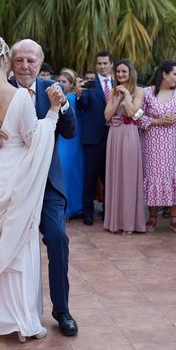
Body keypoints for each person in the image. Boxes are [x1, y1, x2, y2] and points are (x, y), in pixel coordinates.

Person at [0, 38, 79, 336]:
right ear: (9, 60)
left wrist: (61, 105)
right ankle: (3, 312)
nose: (25, 66)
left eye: (31, 61)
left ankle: (62, 311)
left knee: (57, 238)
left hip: (45, 183)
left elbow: (70, 130)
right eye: (20, 60)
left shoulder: (52, 88)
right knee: (5, 246)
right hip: (8, 182)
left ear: (40, 62)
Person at [139, 60, 176, 233]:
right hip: (152, 143)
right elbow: (137, 116)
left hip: (174, 143)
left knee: (174, 175)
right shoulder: (147, 93)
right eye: (175, 74)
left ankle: (174, 218)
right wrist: (156, 121)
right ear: (164, 74)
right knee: (154, 176)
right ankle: (152, 217)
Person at [103, 60, 145, 234]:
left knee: (128, 176)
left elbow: (133, 113)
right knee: (115, 176)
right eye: (118, 72)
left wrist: (127, 95)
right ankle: (114, 221)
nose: (120, 75)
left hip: (129, 134)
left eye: (123, 72)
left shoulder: (139, 91)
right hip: (114, 134)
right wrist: (118, 97)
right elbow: (106, 115)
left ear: (130, 73)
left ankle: (129, 223)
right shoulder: (114, 91)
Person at [79, 51, 113, 225]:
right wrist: (79, 94)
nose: (102, 66)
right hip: (93, 138)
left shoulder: (118, 83)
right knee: (90, 176)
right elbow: (82, 105)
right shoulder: (90, 84)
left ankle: (109, 211)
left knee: (110, 177)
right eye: (99, 63)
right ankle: (88, 212)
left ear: (111, 64)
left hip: (114, 138)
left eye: (105, 63)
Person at [57, 68, 84, 218]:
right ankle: (64, 208)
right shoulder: (56, 97)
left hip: (76, 138)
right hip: (62, 138)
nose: (60, 84)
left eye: (64, 82)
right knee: (63, 171)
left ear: (72, 84)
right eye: (59, 81)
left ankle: (77, 207)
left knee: (76, 172)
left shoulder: (75, 97)